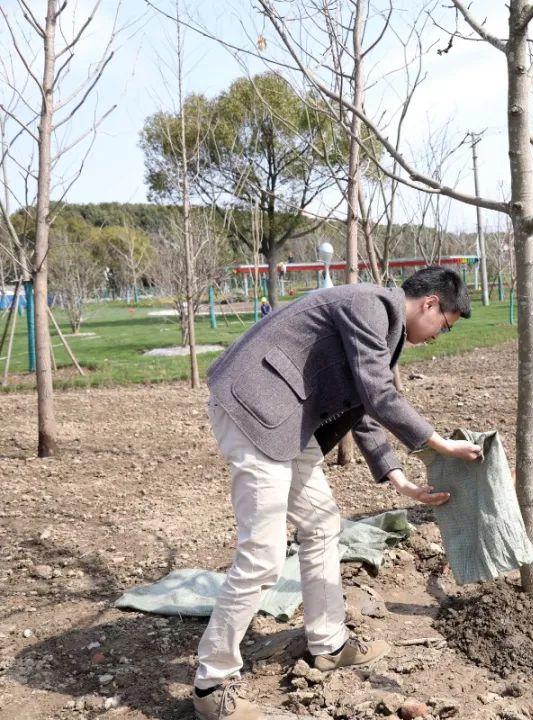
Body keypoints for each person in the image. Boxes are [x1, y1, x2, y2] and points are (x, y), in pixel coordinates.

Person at [193, 267, 482, 720]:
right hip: (257, 410)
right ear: (430, 304)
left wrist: (397, 477)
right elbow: (379, 393)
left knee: (323, 523)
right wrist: (438, 442)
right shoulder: (371, 306)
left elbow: (363, 404)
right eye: (444, 326)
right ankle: (212, 684)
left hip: (288, 420)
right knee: (262, 555)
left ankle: (328, 644)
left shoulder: (382, 324)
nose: (439, 336)